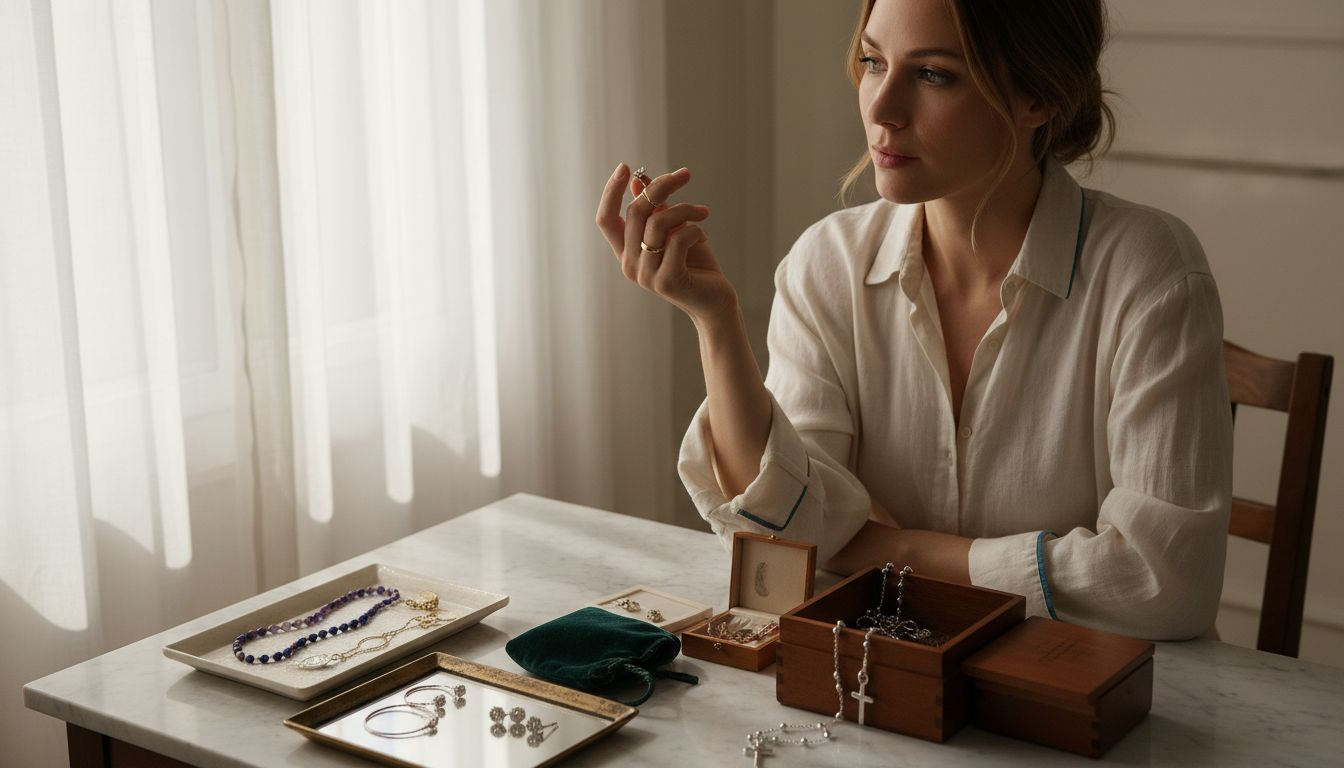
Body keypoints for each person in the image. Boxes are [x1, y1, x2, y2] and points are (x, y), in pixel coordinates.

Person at [593, 0, 1231, 641]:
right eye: (873, 62)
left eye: (933, 74)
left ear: (1037, 95)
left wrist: (889, 549)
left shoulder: (1150, 271)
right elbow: (786, 536)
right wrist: (716, 322)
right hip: (882, 691)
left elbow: (1163, 582)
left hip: (1088, 706)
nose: (880, 108)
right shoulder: (827, 263)